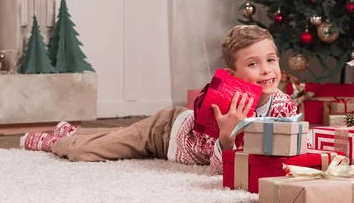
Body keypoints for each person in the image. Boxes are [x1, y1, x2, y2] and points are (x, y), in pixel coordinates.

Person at [20, 25, 297, 174]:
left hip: (171, 146)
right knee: (84, 153)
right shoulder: (226, 101)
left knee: (117, 137)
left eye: (271, 60)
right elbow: (219, 171)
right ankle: (54, 141)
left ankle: (71, 131)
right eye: (253, 64)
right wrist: (226, 137)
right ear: (233, 73)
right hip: (164, 133)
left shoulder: (285, 106)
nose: (266, 70)